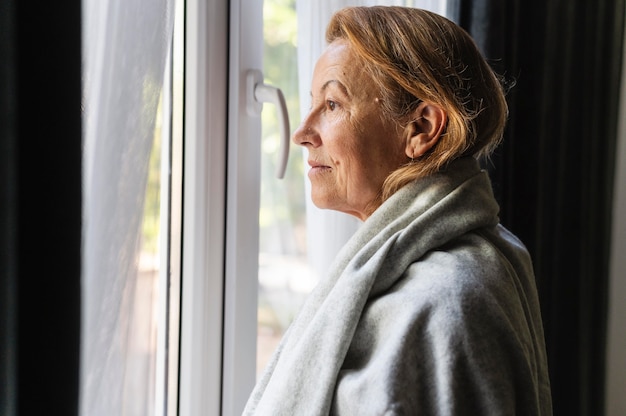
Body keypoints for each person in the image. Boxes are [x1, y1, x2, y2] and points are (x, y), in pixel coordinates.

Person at [244, 6, 552, 415]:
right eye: (313, 104)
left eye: (333, 105)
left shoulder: (447, 303)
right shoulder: (434, 272)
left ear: (421, 128)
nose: (302, 133)